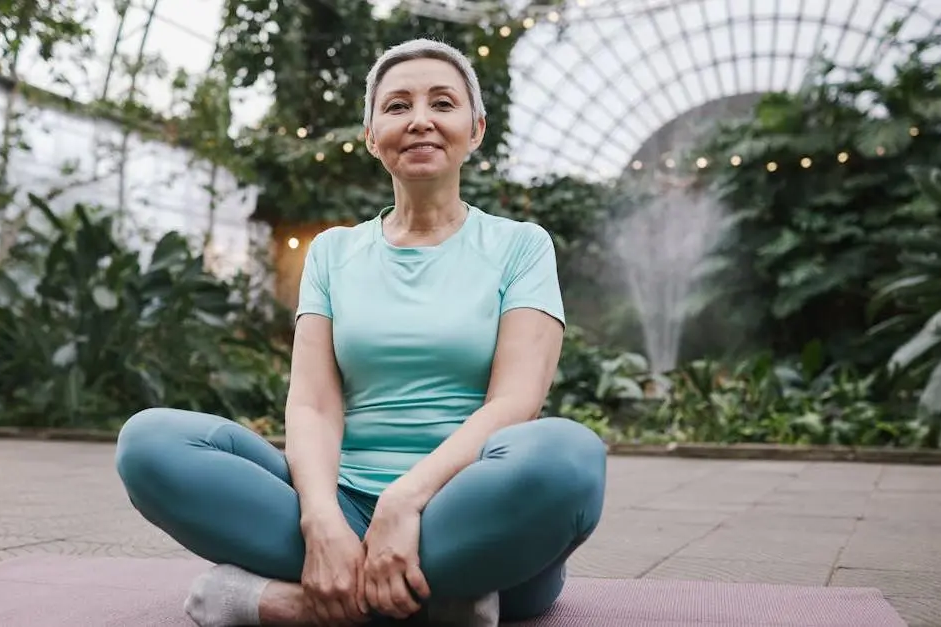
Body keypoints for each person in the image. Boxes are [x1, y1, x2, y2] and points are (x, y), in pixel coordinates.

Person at [115, 38, 607, 627]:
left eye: (442, 103)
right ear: (373, 135)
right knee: (150, 442)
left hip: (468, 512)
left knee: (568, 458)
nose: (420, 120)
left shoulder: (521, 245)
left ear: (475, 129)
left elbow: (514, 403)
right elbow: (315, 404)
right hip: (343, 508)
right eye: (397, 106)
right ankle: (443, 606)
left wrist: (406, 499)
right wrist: (320, 518)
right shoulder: (333, 252)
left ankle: (271, 603)